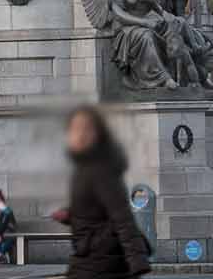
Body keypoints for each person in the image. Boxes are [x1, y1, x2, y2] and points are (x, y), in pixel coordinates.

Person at [50, 107, 150, 279]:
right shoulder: (84, 167)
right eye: (75, 129)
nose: (80, 135)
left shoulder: (101, 170)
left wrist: (137, 260)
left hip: (101, 259)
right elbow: (96, 210)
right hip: (92, 255)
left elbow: (122, 215)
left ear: (99, 134)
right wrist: (70, 215)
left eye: (87, 128)